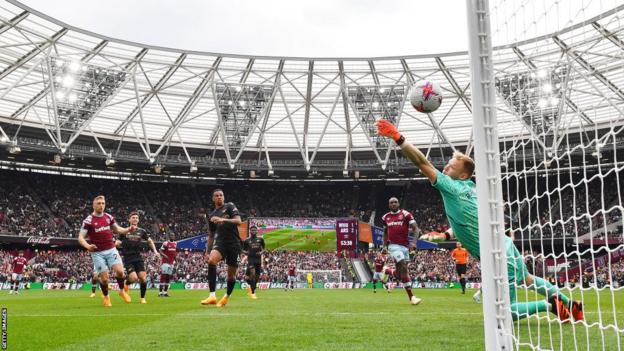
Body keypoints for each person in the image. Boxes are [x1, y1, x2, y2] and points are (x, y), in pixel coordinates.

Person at [376, 119, 583, 321]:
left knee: (506, 311)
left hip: (497, 255)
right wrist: (446, 234)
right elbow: (470, 219)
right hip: (506, 245)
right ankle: (571, 305)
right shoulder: (473, 189)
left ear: (463, 175)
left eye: (450, 167)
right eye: (447, 165)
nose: (445, 169)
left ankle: (550, 305)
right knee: (528, 279)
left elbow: (422, 162)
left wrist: (398, 137)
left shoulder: (452, 187)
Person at [78, 195, 134, 307]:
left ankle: (122, 291)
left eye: (103, 203)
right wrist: (88, 246)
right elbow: (80, 237)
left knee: (120, 272)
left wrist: (128, 229)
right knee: (104, 279)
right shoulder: (88, 220)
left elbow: (117, 229)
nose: (101, 205)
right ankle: (106, 297)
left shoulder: (108, 217)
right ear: (93, 205)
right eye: (98, 203)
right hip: (97, 253)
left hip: (111, 249)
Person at [201, 189, 243, 307]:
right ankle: (212, 296)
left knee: (231, 276)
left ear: (223, 197)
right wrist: (207, 252)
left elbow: (239, 221)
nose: (219, 197)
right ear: (213, 198)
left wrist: (222, 219)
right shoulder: (211, 215)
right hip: (220, 242)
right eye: (216, 196)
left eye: (221, 195)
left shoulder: (230, 206)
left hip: (234, 243)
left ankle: (226, 297)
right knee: (211, 261)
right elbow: (211, 235)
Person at [381, 197, 422, 305]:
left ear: (398, 203)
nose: (393, 204)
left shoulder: (406, 214)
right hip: (393, 246)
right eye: (391, 203)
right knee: (403, 266)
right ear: (389, 205)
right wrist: (384, 246)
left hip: (405, 246)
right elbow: (385, 232)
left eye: (395, 202)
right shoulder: (385, 217)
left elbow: (416, 229)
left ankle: (387, 271)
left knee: (400, 274)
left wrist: (414, 242)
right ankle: (412, 297)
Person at [116, 212, 160, 304]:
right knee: (134, 278)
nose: (135, 219)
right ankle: (126, 284)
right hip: (128, 257)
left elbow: (150, 241)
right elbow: (117, 242)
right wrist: (116, 245)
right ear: (129, 219)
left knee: (143, 278)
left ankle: (142, 298)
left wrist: (155, 251)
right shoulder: (125, 231)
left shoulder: (142, 231)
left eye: (136, 218)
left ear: (138, 220)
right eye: (133, 217)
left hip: (138, 257)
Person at [243, 226, 264, 299]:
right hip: (251, 259)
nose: (254, 231)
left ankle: (252, 287)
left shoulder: (260, 239)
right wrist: (246, 253)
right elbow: (243, 250)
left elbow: (264, 249)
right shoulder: (246, 241)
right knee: (252, 273)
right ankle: (253, 292)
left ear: (257, 231)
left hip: (258, 260)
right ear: (250, 231)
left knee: (257, 277)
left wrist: (261, 252)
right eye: (252, 230)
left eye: (255, 230)